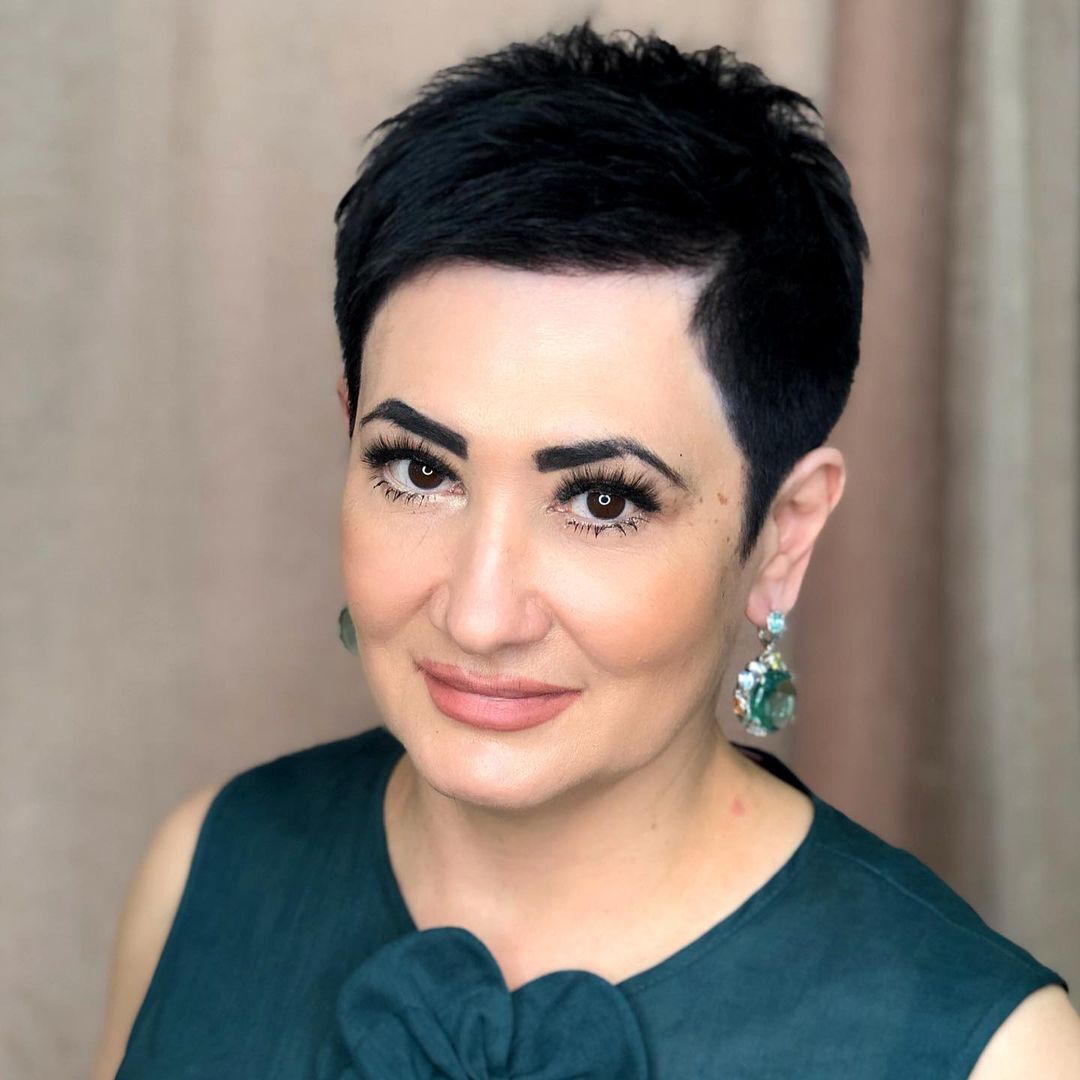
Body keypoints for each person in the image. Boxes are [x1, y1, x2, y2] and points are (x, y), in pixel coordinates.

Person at [91, 20, 1079, 1079]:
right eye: (418, 471)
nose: (479, 614)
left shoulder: (999, 1056)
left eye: (604, 501)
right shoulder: (204, 872)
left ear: (783, 534)